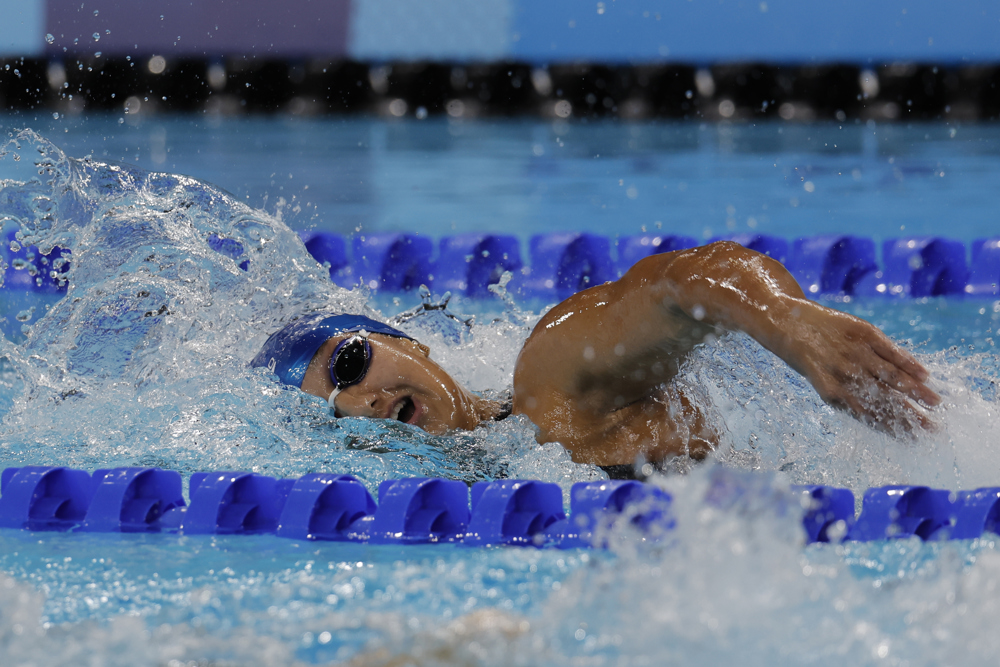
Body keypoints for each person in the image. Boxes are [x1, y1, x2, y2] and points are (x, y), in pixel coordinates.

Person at [252, 241, 940, 478]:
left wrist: (790, 323)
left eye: (349, 364)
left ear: (408, 341)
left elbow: (683, 284)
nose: (360, 402)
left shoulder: (548, 385)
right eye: (332, 412)